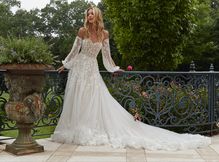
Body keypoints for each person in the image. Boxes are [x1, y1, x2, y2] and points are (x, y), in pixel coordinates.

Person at [51, 6, 211, 150]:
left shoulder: (104, 34)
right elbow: (74, 51)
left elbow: (107, 56)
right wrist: (65, 64)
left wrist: (114, 68)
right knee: (79, 99)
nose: (89, 16)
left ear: (98, 15)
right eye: (88, 14)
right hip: (79, 68)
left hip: (93, 69)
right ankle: (75, 129)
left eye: (92, 13)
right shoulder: (82, 31)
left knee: (92, 98)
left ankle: (89, 129)